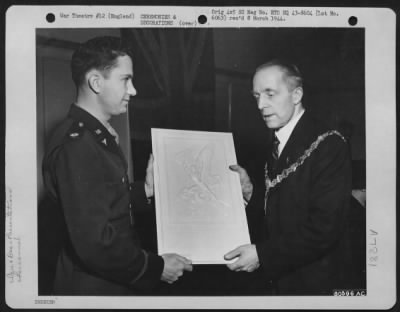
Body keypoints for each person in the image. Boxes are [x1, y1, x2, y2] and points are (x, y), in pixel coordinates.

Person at [42, 36, 192, 295]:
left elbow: (100, 201)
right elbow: (95, 243)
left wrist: (144, 190)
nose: (133, 90)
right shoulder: (78, 144)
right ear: (96, 83)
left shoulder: (93, 135)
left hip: (107, 281)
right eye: (125, 80)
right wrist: (155, 267)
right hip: (94, 288)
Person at [225, 59, 353, 295]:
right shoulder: (276, 139)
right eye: (256, 96)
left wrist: (263, 255)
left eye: (270, 94)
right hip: (281, 281)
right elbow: (283, 207)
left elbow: (325, 229)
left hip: (315, 284)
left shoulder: (329, 143)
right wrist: (251, 192)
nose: (261, 105)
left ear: (296, 95)